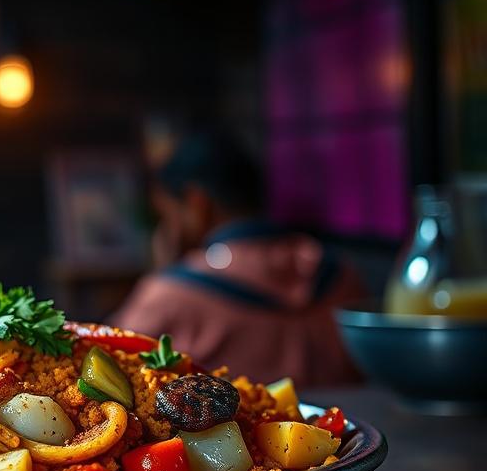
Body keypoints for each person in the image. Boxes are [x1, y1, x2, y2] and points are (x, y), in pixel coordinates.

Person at [111, 132, 365, 386]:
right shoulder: (343, 276)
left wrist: (163, 270)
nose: (168, 228)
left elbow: (108, 366)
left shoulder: (167, 296)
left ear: (198, 204)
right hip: (349, 423)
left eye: (168, 215)